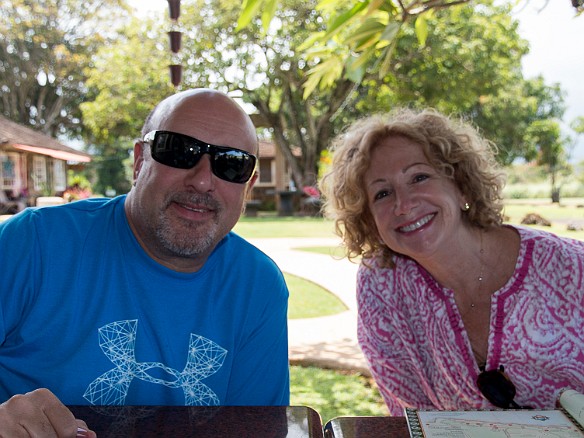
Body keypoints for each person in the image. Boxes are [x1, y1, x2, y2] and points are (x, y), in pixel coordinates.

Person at [0, 88, 290, 435]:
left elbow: (254, 430)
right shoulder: (31, 245)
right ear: (140, 161)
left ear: (249, 185)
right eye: (179, 151)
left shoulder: (257, 285)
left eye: (232, 164)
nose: (201, 180)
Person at [319, 107, 584, 416]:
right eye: (382, 193)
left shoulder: (571, 269)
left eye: (419, 177)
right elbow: (412, 418)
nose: (403, 205)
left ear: (461, 186)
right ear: (368, 219)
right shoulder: (381, 283)